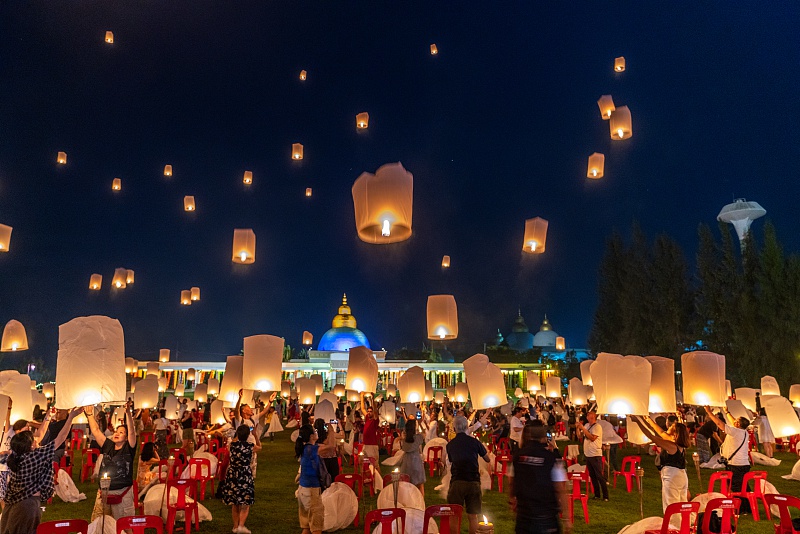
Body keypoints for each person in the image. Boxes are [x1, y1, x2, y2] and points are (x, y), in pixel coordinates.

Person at [0, 407, 80, 534]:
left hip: (11, 505)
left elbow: (40, 434)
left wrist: (47, 416)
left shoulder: (14, 456)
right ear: (31, 445)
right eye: (33, 439)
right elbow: (61, 437)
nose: (37, 439)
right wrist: (70, 418)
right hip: (27, 506)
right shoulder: (35, 456)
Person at [510, 424, 570, 534]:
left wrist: (512, 498)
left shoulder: (519, 456)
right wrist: (567, 518)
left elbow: (511, 480)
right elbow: (560, 489)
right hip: (545, 514)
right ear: (544, 438)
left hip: (524, 514)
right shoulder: (550, 458)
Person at [85, 400, 137, 521]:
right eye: (116, 431)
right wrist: (89, 415)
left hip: (122, 493)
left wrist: (128, 413)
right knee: (99, 524)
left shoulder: (128, 448)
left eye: (122, 432)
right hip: (104, 492)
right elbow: (96, 431)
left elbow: (133, 432)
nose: (117, 434)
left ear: (126, 437)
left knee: (124, 525)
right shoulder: (107, 445)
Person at [632, 415, 690, 512]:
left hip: (673, 477)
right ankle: (685, 524)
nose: (670, 426)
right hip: (681, 476)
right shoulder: (677, 444)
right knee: (681, 503)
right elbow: (661, 432)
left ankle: (674, 525)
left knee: (672, 505)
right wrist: (647, 419)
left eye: (672, 427)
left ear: (675, 433)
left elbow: (652, 436)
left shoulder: (671, 445)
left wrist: (638, 422)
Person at [446, 415, 491, 534]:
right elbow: (487, 459)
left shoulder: (450, 445)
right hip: (473, 481)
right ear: (466, 427)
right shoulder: (474, 442)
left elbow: (451, 461)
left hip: (457, 482)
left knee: (454, 515)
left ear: (454, 428)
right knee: (473, 517)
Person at [705, 407, 751, 507]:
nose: (734, 421)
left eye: (736, 421)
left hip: (735, 465)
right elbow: (734, 421)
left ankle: (740, 507)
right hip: (743, 464)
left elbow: (719, 424)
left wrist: (709, 412)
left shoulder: (735, 432)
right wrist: (727, 412)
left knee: (736, 487)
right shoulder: (744, 432)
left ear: (738, 424)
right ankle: (748, 506)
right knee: (743, 486)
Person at [220, 425, 255, 534]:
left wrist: (237, 436)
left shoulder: (232, 445)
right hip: (244, 474)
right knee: (245, 502)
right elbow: (260, 447)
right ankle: (241, 525)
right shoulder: (251, 446)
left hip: (233, 474)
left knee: (235, 502)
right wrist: (256, 436)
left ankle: (235, 526)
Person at [295, 425, 323, 534]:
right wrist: (330, 430)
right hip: (311, 490)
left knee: (306, 527)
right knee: (316, 526)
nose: (317, 432)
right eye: (315, 431)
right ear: (311, 436)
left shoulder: (305, 448)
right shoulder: (313, 449)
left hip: (303, 489)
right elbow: (331, 446)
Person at [576, 411, 608, 501]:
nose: (590, 419)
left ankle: (605, 495)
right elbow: (580, 436)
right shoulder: (586, 425)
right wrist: (578, 428)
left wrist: (583, 428)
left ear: (594, 418)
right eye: (589, 417)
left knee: (599, 476)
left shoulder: (597, 427)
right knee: (592, 476)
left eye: (592, 418)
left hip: (595, 454)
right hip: (588, 454)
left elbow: (592, 438)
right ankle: (597, 494)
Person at [399, 419, 426, 496]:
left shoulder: (405, 440)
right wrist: (421, 425)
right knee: (420, 484)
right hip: (416, 461)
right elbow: (424, 434)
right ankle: (421, 502)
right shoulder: (418, 438)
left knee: (407, 484)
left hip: (406, 462)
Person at [360, 393, 380, 475]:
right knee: (363, 461)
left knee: (375, 464)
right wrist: (361, 396)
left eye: (370, 411)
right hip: (366, 444)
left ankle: (379, 481)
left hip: (372, 445)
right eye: (368, 411)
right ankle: (366, 478)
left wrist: (372, 399)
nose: (369, 413)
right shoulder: (367, 418)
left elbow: (375, 411)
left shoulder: (375, 420)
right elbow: (362, 408)